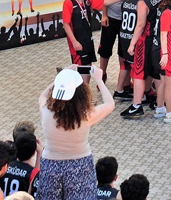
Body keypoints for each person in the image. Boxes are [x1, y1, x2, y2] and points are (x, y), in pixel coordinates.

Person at [38, 65, 114, 199]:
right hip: (80, 165)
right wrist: (99, 79)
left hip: (50, 164)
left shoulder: (46, 110)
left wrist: (60, 78)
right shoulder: (86, 116)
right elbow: (110, 104)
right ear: (81, 93)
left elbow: (42, 95)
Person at [63, 0, 130, 84]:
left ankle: (86, 90)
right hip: (77, 40)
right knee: (81, 67)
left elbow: (105, 2)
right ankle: (81, 92)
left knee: (88, 66)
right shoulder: (68, 3)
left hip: (87, 38)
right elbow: (66, 24)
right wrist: (74, 42)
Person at [121, 0, 161, 119]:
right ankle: (161, 104)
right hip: (158, 40)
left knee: (138, 73)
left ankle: (136, 106)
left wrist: (132, 44)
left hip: (145, 41)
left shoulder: (143, 3)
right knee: (156, 73)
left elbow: (140, 25)